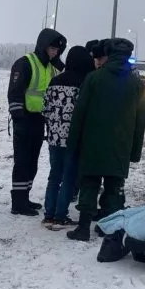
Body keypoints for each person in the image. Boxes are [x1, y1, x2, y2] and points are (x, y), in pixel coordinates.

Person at [65, 38, 145, 241]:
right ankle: (109, 228)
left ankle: (83, 228)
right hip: (121, 146)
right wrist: (135, 152)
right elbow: (140, 121)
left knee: (89, 184)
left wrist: (73, 143)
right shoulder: (136, 84)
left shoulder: (94, 78)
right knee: (114, 188)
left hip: (92, 143)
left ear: (108, 55)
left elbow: (79, 113)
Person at [8, 28, 67, 216]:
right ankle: (18, 203)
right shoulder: (25, 63)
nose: (55, 53)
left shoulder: (50, 67)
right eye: (52, 49)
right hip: (24, 119)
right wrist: (18, 118)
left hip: (39, 119)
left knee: (32, 161)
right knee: (22, 161)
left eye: (57, 50)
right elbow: (15, 92)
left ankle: (25, 197)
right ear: (43, 46)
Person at [41, 46, 95, 229]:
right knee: (69, 178)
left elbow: (45, 108)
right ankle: (60, 216)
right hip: (73, 139)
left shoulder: (54, 81)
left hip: (54, 137)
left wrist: (53, 127)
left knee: (54, 176)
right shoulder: (83, 83)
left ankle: (48, 215)